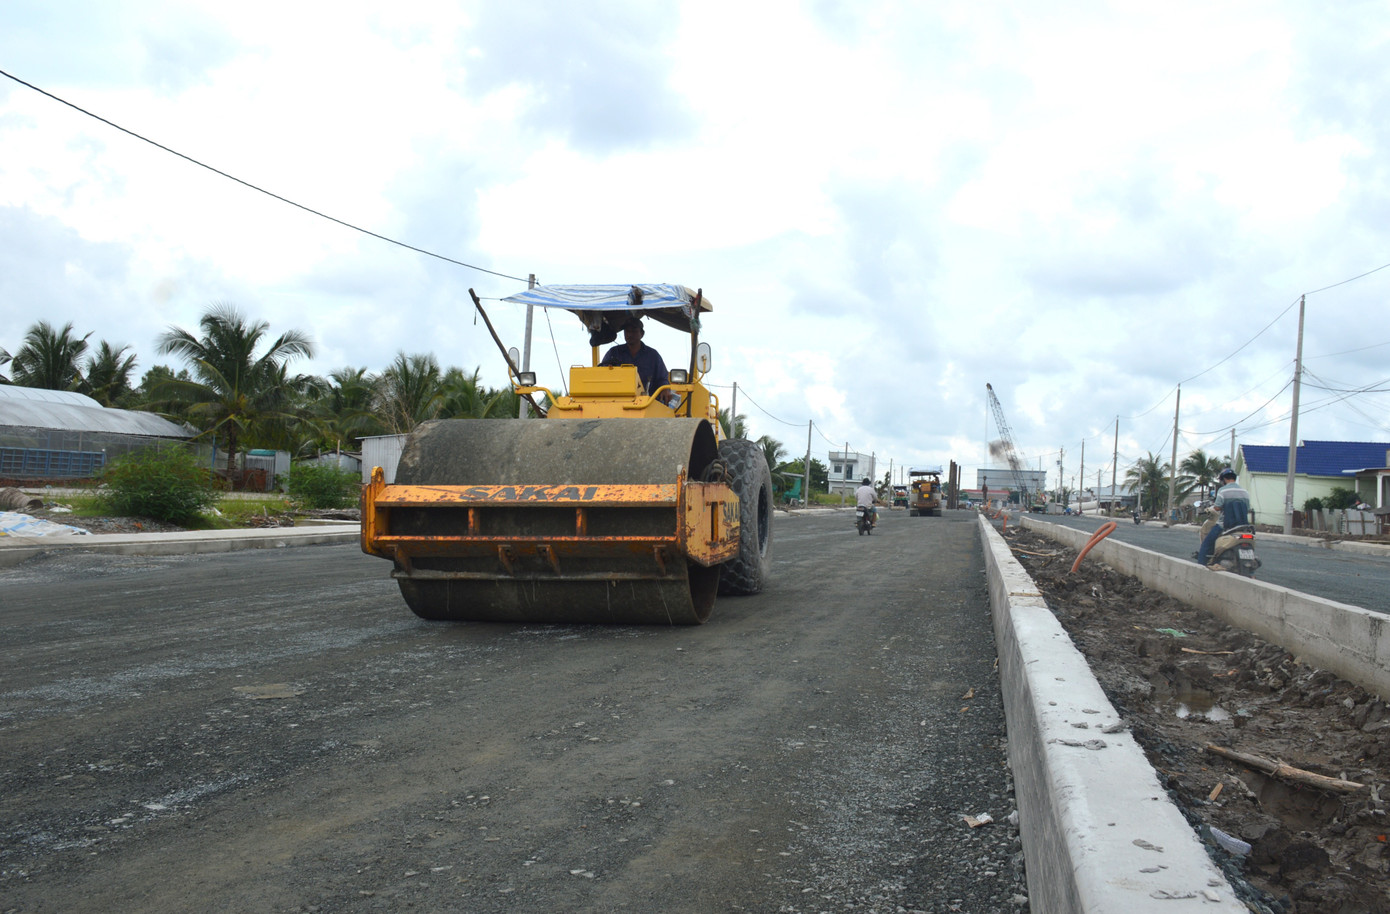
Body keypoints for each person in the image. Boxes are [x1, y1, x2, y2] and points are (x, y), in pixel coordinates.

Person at [600, 317, 675, 406]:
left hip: (647, 403)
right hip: (617, 402)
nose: (630, 334)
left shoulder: (653, 355)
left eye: (634, 331)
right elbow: (602, 373)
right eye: (627, 331)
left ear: (642, 334)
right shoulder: (614, 352)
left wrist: (665, 389)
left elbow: (662, 378)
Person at [1196, 467, 1251, 567]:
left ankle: (1201, 567)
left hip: (1225, 525)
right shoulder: (1245, 492)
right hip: (1243, 526)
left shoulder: (1222, 491)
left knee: (1206, 545)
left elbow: (1217, 507)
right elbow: (1247, 508)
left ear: (1224, 479)